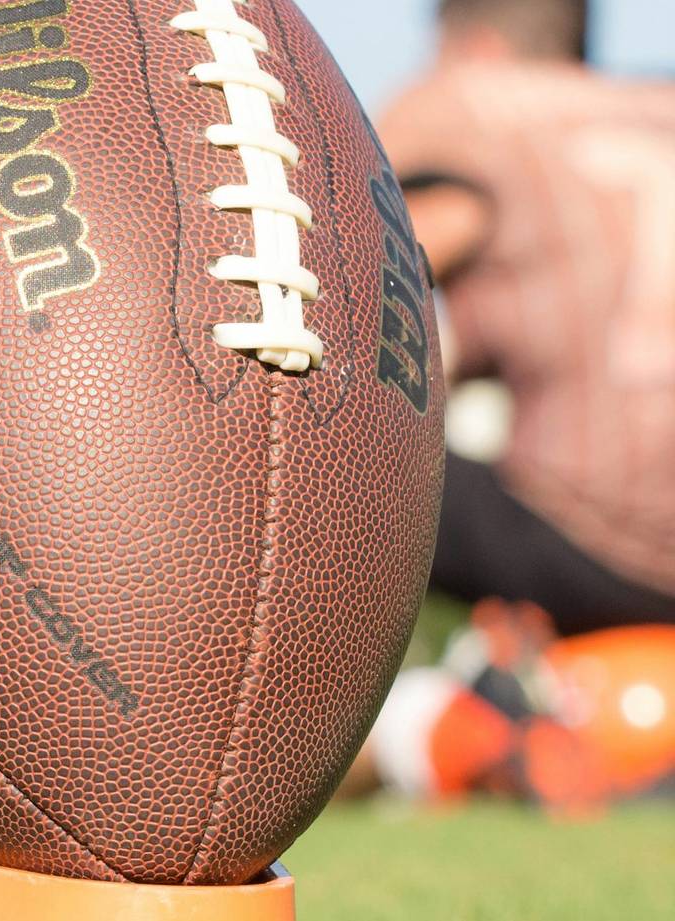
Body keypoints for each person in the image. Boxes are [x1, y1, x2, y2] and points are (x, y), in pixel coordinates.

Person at [361, 0, 675, 807]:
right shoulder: (656, 103)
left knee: (314, 435)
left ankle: (436, 725)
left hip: (587, 533)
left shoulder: (473, 105)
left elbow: (363, 294)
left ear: (476, 46)